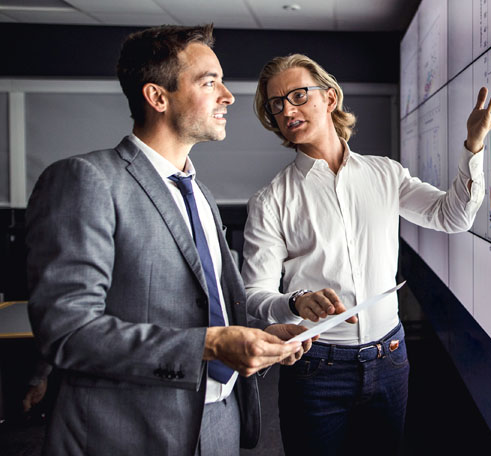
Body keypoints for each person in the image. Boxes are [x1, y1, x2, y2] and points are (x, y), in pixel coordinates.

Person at [26, 25, 319, 456]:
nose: (228, 96)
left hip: (221, 421)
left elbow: (201, 303)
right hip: (131, 432)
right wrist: (209, 345)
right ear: (157, 97)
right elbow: (68, 331)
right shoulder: (86, 180)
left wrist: (259, 334)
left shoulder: (199, 193)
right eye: (209, 82)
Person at [242, 53, 491, 455]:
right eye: (276, 105)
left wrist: (474, 144)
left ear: (330, 98)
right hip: (317, 369)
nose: (287, 111)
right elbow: (254, 294)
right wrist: (295, 302)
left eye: (298, 96)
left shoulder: (385, 173)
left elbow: (452, 216)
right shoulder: (271, 200)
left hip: (390, 360)